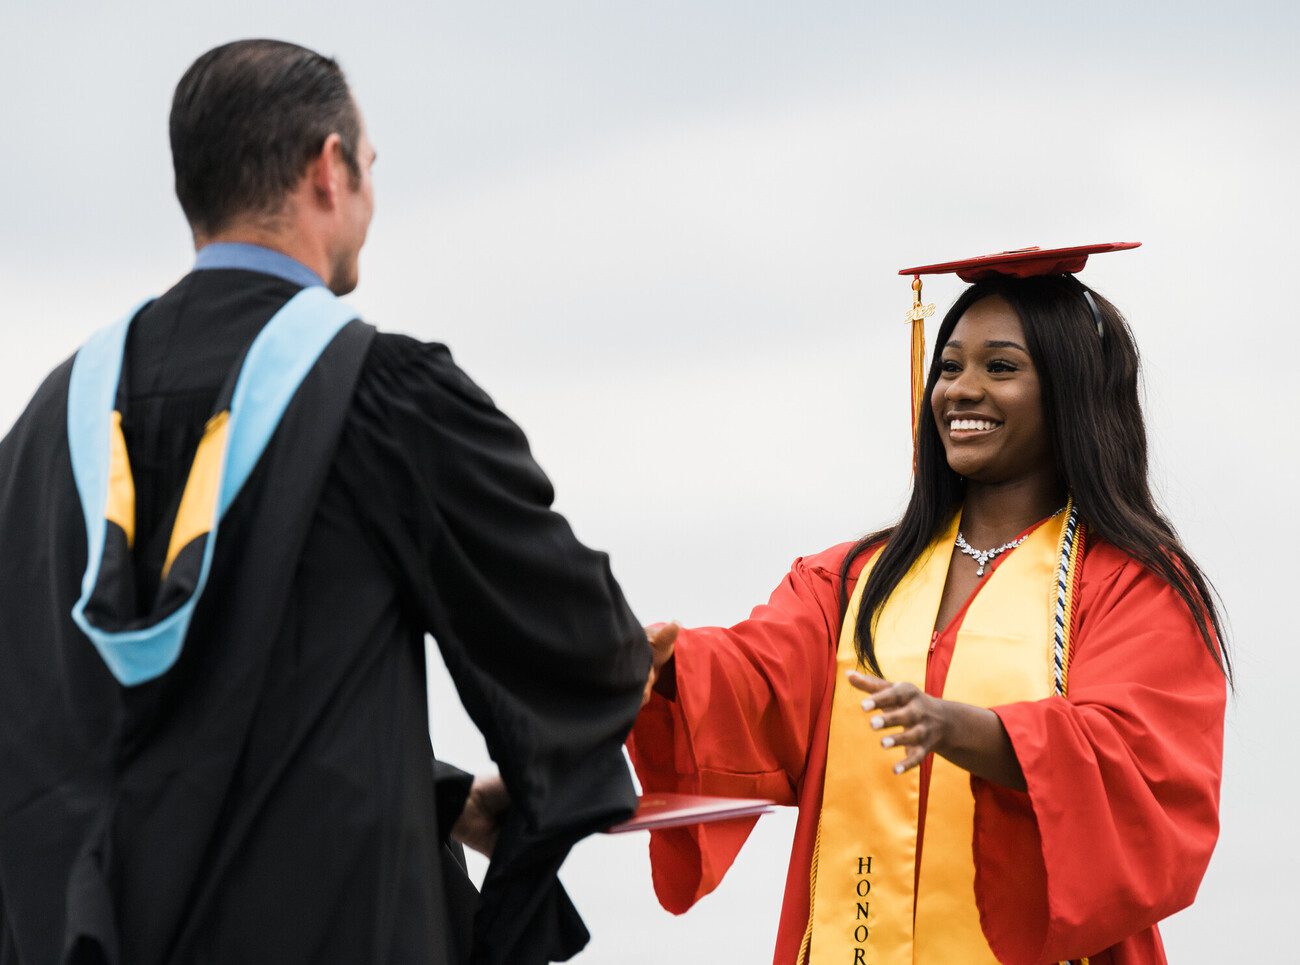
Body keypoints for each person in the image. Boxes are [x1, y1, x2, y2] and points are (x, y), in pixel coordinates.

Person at [0, 39, 649, 965]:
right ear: (329, 168)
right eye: (371, 164)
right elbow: (584, 652)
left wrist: (431, 790)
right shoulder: (387, 400)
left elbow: (120, 739)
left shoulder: (43, 431)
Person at [630, 244, 1228, 964]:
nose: (960, 389)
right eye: (949, 367)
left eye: (999, 367)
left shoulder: (1130, 584)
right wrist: (668, 666)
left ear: (1071, 390)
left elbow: (1138, 762)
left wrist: (971, 730)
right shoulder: (855, 580)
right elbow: (757, 676)